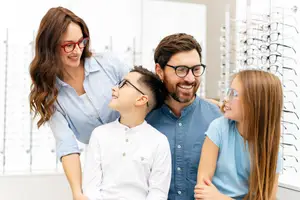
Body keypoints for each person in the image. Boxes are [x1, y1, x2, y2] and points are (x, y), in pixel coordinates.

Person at [29, 7, 129, 200]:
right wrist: (77, 191)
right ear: (50, 47)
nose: (77, 50)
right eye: (68, 45)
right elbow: (66, 144)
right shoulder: (49, 94)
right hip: (103, 167)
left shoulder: (109, 64)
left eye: (81, 42)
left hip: (140, 153)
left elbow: (146, 93)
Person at [146, 33, 222, 200]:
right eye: (181, 70)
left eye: (196, 70)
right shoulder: (144, 120)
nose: (190, 78)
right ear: (159, 70)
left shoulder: (218, 119)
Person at [82, 66, 172, 200]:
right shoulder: (99, 135)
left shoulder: (159, 141)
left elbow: (158, 193)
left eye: (124, 84)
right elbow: (90, 188)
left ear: (141, 99)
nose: (114, 88)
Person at [195, 70, 283, 200]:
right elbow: (202, 192)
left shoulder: (273, 150)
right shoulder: (218, 128)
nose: (226, 99)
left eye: (234, 94)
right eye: (228, 92)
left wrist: (220, 198)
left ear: (255, 103)